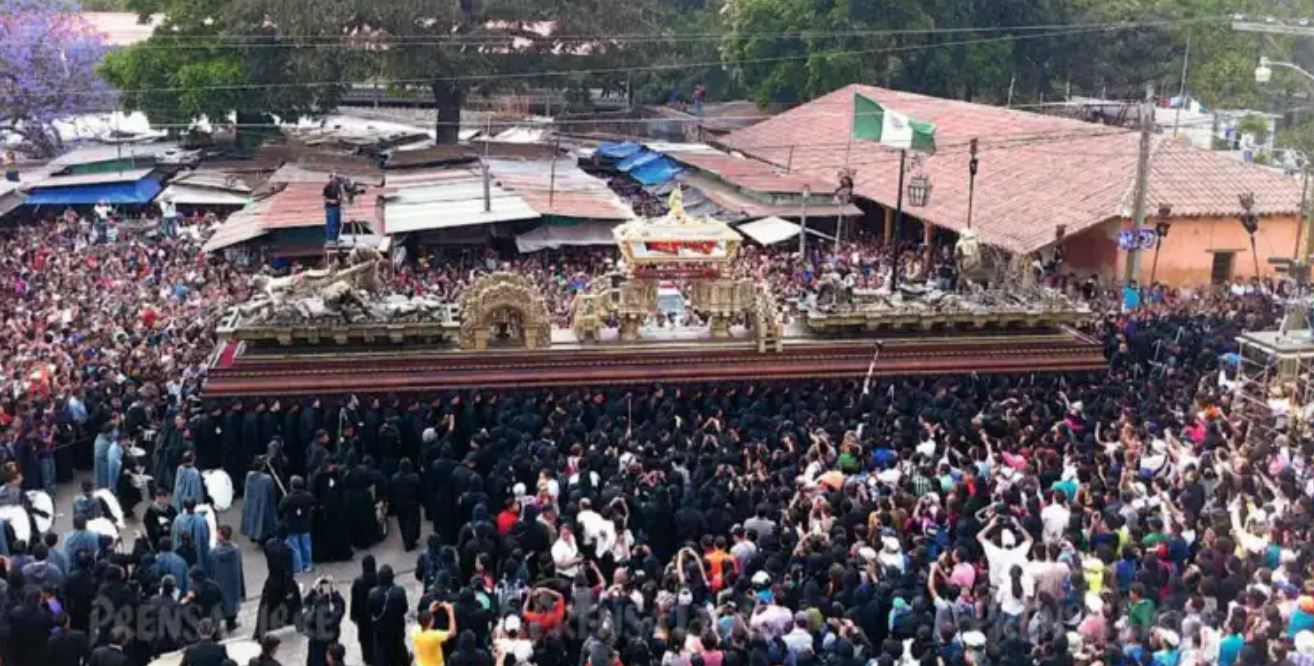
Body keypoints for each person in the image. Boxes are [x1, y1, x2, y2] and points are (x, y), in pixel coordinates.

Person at [256, 536, 301, 639]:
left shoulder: (269, 547)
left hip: (272, 582)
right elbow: (288, 571)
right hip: (285, 583)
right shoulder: (287, 550)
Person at [368, 565, 409, 666]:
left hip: (381, 632)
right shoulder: (400, 591)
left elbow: (369, 611)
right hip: (397, 629)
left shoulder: (372, 594)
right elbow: (405, 608)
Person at [207, 524, 246, 633]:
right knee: (232, 601)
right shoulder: (236, 550)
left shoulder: (213, 553)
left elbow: (210, 568)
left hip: (219, 582)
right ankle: (231, 622)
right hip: (233, 582)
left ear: (221, 536)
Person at [301, 576, 347, 666]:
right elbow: (340, 606)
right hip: (332, 655)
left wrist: (313, 589)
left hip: (314, 657)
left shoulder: (310, 619)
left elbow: (305, 604)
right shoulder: (332, 619)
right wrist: (333, 589)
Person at [278, 475, 316, 574]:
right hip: (305, 525)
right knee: (306, 546)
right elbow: (313, 505)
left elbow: (280, 509)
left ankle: (298, 568)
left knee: (294, 548)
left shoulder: (288, 498)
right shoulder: (308, 496)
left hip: (292, 526)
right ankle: (307, 565)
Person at [242, 457, 280, 544]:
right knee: (264, 519)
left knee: (253, 517)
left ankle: (253, 534)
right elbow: (272, 492)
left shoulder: (249, 476)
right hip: (264, 502)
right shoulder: (267, 479)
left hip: (252, 500)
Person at [350, 555, 378, 666]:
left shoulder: (358, 582)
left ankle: (367, 659)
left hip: (363, 618)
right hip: (376, 616)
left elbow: (354, 600)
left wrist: (353, 615)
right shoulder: (378, 578)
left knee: (365, 641)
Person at [391, 458, 423, 551]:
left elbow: (392, 491)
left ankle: (406, 539)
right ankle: (410, 542)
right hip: (412, 503)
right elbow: (419, 490)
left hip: (400, 503)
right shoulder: (415, 477)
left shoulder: (394, 478)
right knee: (412, 523)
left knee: (402, 522)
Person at [172, 498, 212, 571]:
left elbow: (174, 537)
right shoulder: (201, 520)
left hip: (181, 554)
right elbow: (206, 538)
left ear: (184, 506)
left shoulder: (178, 520)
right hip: (197, 554)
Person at [415, 602, 457, 666]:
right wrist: (450, 612)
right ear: (431, 623)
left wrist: (429, 610)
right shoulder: (434, 636)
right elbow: (453, 632)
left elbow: (421, 621)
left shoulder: (415, 631)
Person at [145, 488, 178, 552]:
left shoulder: (171, 509)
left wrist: (169, 526)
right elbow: (149, 525)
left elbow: (175, 520)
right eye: (158, 497)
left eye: (162, 497)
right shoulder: (151, 510)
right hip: (157, 539)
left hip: (170, 536)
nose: (160, 500)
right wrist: (161, 529)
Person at [323, 173, 343, 246]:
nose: (335, 180)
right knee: (331, 223)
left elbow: (341, 196)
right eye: (334, 178)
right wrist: (332, 201)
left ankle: (335, 238)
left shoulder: (338, 187)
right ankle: (331, 239)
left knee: (337, 223)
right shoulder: (327, 187)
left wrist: (339, 200)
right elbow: (325, 199)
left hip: (337, 207)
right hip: (330, 207)